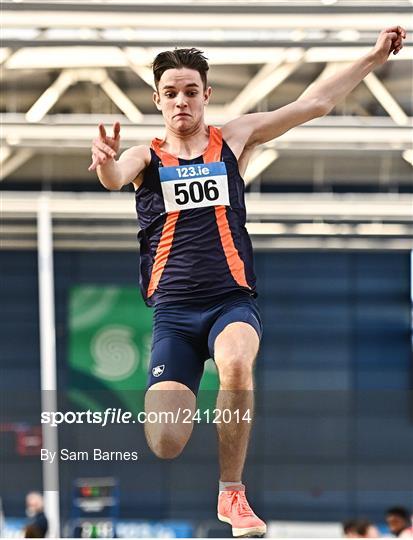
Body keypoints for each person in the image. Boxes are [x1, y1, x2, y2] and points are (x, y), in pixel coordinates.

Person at [89, 27, 406, 538]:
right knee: (166, 440)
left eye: (191, 91)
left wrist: (371, 57)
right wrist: (106, 164)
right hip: (173, 313)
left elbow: (315, 101)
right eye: (170, 93)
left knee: (236, 360)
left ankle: (231, 493)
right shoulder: (146, 159)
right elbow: (114, 175)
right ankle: (183, 414)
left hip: (230, 301)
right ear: (157, 100)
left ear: (206, 95)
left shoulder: (233, 139)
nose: (181, 102)